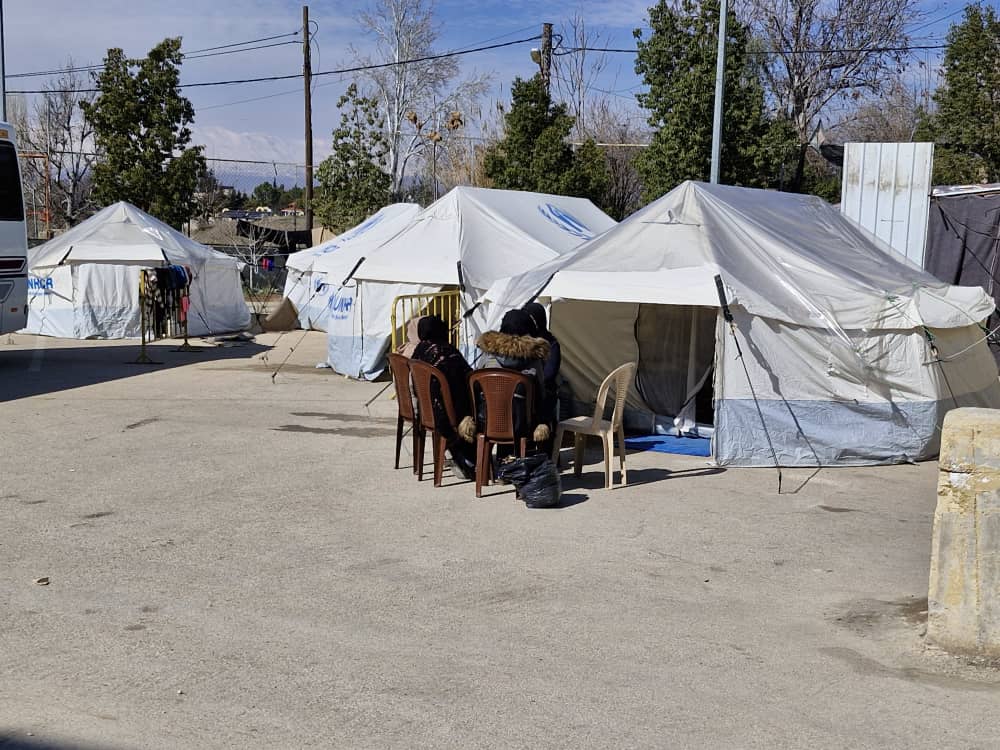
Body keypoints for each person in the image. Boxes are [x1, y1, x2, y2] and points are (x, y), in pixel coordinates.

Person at [459, 309, 551, 449]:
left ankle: (482, 467)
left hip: (487, 422)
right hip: (521, 425)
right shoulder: (534, 360)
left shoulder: (488, 356)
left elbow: (474, 388)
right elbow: (541, 394)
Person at [410, 315, 477, 481]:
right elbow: (467, 378)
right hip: (446, 414)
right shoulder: (447, 353)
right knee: (480, 411)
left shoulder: (418, 352)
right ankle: (470, 460)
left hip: (427, 411)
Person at [522, 301, 561, 425]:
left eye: (532, 320)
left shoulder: (551, 344)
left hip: (543, 393)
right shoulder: (523, 341)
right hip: (523, 391)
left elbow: (549, 374)